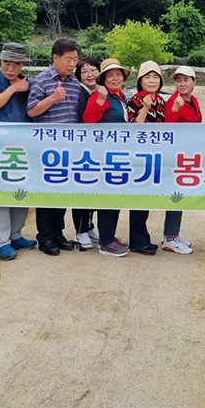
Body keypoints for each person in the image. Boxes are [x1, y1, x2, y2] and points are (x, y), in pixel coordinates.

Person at [0, 43, 38, 260]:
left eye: (15, 64)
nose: (10, 68)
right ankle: (1, 241)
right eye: (6, 63)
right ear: (1, 62)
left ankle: (16, 234)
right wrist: (13, 88)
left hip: (24, 145)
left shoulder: (30, 84)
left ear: (22, 64)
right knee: (2, 192)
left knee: (22, 190)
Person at [26, 38, 81, 256]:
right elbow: (31, 111)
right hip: (47, 149)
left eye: (75, 59)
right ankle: (45, 237)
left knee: (62, 192)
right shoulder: (42, 80)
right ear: (55, 58)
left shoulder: (74, 82)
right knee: (47, 193)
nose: (72, 64)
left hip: (69, 148)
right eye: (68, 59)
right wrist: (53, 98)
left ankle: (58, 233)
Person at [82, 58, 132, 257]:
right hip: (104, 156)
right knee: (108, 198)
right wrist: (100, 101)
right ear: (103, 79)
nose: (115, 78)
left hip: (118, 155)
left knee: (116, 197)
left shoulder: (121, 97)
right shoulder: (99, 95)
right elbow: (88, 121)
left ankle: (109, 236)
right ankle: (105, 242)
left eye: (118, 74)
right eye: (110, 75)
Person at [126, 60, 166, 255]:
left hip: (154, 155)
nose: (151, 81)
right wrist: (144, 108)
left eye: (155, 77)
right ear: (140, 81)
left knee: (147, 199)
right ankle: (137, 241)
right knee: (139, 199)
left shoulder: (161, 101)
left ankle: (143, 238)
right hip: (139, 156)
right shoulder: (136, 99)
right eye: (147, 77)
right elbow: (134, 127)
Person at [161, 66, 201, 254]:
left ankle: (174, 234)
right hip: (176, 156)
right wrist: (175, 109)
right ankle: (169, 237)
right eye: (178, 80)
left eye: (186, 80)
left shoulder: (193, 100)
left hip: (187, 155)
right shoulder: (173, 101)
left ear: (194, 82)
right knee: (175, 195)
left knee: (181, 194)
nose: (182, 84)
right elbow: (168, 130)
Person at [72, 56, 102, 249]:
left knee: (95, 189)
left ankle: (89, 225)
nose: (89, 75)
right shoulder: (79, 93)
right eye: (84, 72)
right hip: (82, 148)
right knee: (82, 189)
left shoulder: (102, 92)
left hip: (98, 148)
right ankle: (80, 230)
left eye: (93, 70)